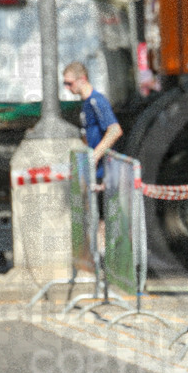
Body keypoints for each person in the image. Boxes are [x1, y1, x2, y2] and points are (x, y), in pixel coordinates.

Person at [62, 62, 122, 244]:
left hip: (105, 171)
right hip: (95, 171)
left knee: (105, 219)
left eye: (69, 83)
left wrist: (95, 155)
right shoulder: (86, 105)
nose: (67, 88)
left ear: (82, 79)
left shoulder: (97, 101)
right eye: (65, 83)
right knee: (95, 219)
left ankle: (105, 253)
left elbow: (115, 130)